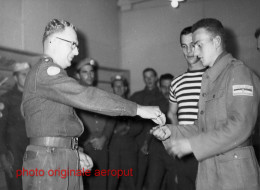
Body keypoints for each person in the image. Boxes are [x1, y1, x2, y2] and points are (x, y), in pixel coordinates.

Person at [21, 19, 166, 190]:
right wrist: (138, 109)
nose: (76, 51)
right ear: (53, 42)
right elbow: (87, 96)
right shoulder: (46, 72)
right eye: (73, 44)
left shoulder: (49, 76)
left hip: (57, 156)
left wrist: (75, 151)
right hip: (50, 160)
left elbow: (51, 122)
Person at [152, 18, 260, 190]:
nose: (194, 51)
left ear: (217, 42)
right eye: (192, 46)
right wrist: (171, 132)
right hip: (210, 170)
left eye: (198, 45)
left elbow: (241, 125)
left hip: (235, 173)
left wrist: (192, 145)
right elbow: (202, 127)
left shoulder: (238, 73)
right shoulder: (210, 79)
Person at [167, 26, 207, 190]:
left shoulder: (212, 77)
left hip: (207, 148)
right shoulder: (176, 82)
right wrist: (176, 139)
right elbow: (172, 112)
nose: (189, 51)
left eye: (192, 45)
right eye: (184, 46)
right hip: (184, 152)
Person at [75, 58, 115, 190]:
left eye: (91, 72)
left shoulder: (102, 95)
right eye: (85, 72)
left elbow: (111, 118)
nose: (89, 75)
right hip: (84, 147)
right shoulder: (73, 95)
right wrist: (86, 139)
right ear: (77, 75)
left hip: (102, 145)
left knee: (101, 184)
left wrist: (104, 137)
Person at [130, 68, 166, 190]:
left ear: (156, 78)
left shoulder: (163, 97)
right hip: (138, 144)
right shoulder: (136, 96)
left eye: (151, 76)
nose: (149, 79)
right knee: (137, 180)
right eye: (146, 77)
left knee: (154, 181)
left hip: (156, 144)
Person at [0, 62, 30, 190]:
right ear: (15, 77)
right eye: (24, 74)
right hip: (14, 154)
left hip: (33, 152)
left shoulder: (36, 98)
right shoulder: (6, 99)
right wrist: (3, 157)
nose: (27, 77)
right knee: (16, 186)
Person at [146, 73, 177, 190]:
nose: (167, 90)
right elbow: (148, 127)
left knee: (173, 185)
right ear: (159, 87)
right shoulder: (154, 103)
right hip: (157, 150)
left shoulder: (180, 103)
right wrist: (146, 143)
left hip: (174, 149)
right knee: (153, 184)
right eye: (164, 87)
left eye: (170, 86)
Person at [108, 74, 138, 190]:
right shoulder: (107, 104)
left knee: (130, 183)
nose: (119, 89)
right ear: (112, 88)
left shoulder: (133, 105)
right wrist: (115, 130)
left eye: (121, 86)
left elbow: (140, 125)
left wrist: (129, 129)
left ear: (126, 88)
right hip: (112, 150)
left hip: (129, 149)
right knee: (111, 183)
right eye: (116, 86)